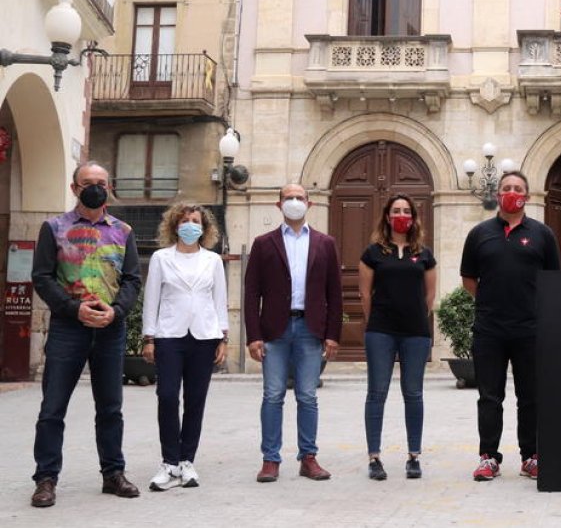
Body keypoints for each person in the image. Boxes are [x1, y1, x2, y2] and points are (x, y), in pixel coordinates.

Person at [29, 162, 142, 508]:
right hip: (68, 327)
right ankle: (46, 479)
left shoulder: (123, 231)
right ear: (75, 187)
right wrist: (72, 308)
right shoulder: (54, 228)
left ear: (109, 187)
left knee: (111, 407)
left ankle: (113, 474)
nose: (95, 188)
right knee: (52, 407)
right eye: (88, 183)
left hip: (110, 328)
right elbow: (42, 277)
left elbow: (132, 279)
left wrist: (116, 311)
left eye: (101, 183)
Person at [460, 170, 560, 481]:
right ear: (498, 193)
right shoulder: (480, 234)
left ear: (527, 196)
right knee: (490, 397)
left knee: (530, 396)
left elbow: (553, 280)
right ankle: (489, 457)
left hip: (530, 329)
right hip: (489, 330)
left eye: (517, 188)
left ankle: (531, 456)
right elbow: (468, 279)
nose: (511, 192)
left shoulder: (543, 234)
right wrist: (492, 302)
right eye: (506, 188)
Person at [244, 184, 343, 482]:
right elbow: (251, 293)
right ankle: (270, 460)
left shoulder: (325, 243)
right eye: (289, 198)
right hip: (274, 329)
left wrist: (333, 334)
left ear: (309, 204)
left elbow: (334, 294)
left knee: (308, 396)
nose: (295, 202)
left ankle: (308, 457)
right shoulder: (264, 243)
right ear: (279, 204)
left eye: (300, 198)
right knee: (273, 395)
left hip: (310, 328)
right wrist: (253, 335)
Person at [141, 203, 229, 491]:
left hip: (204, 336)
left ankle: (187, 461)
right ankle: (169, 463)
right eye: (184, 221)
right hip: (169, 335)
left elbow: (219, 300)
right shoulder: (160, 258)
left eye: (195, 221)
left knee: (195, 400)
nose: (190, 225)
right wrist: (149, 338)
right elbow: (151, 298)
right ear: (174, 226)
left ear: (204, 228)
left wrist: (223, 338)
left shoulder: (213, 261)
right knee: (167, 396)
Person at [359, 193, 437, 481]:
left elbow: (429, 296)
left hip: (415, 332)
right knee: (377, 393)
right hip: (381, 331)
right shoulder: (373, 253)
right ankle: (374, 458)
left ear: (414, 217)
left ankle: (414, 456)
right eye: (396, 210)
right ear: (387, 217)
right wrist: (378, 320)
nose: (401, 215)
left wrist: (415, 315)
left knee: (413, 393)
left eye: (406, 210)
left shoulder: (425, 254)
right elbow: (365, 294)